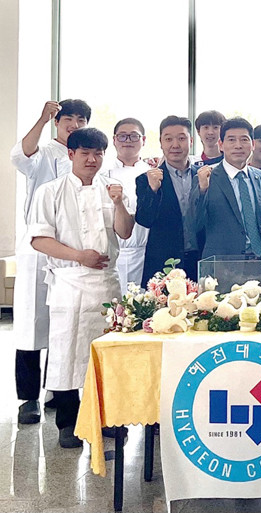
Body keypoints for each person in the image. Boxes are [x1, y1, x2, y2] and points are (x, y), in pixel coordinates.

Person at [27, 127, 134, 448]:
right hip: (69, 282)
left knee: (106, 354)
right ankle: (68, 423)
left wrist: (119, 204)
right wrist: (79, 256)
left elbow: (125, 232)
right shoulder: (50, 191)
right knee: (66, 354)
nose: (92, 159)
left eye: (98, 153)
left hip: (106, 284)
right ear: (71, 154)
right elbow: (39, 239)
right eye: (85, 153)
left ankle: (108, 420)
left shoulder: (112, 189)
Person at [9, 98, 89, 425]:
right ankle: (28, 398)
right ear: (58, 122)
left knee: (64, 324)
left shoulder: (84, 157)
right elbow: (21, 154)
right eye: (68, 118)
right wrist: (42, 118)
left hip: (71, 252)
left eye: (80, 120)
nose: (74, 124)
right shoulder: (43, 153)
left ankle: (58, 389)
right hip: (38, 251)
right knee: (31, 324)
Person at [136, 115, 204, 285]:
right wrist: (152, 190)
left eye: (181, 138)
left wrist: (204, 189)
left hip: (200, 260)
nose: (175, 145)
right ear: (161, 142)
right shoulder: (146, 179)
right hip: (164, 262)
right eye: (168, 139)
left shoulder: (204, 176)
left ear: (191, 141)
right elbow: (144, 220)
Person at [194, 117, 261, 258]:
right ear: (221, 145)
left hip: (260, 259)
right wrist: (202, 191)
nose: (238, 145)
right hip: (222, 262)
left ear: (253, 144)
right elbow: (194, 224)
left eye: (244, 139)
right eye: (231, 140)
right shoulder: (207, 177)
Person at [104, 118, 152, 289]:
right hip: (111, 253)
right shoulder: (102, 172)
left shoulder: (152, 173)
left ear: (143, 140)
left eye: (134, 136)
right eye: (122, 136)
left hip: (144, 253)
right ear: (114, 140)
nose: (128, 141)